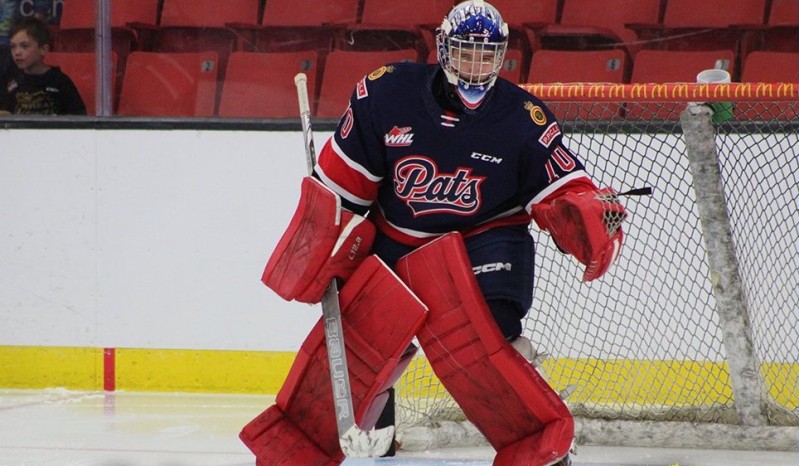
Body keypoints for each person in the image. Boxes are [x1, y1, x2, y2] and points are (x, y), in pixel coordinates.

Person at [241, 1, 627, 465]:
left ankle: (541, 443)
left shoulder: (523, 118)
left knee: (486, 337)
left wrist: (584, 212)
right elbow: (342, 187)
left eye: (486, 54)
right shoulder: (387, 93)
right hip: (396, 237)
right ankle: (310, 446)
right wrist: (326, 241)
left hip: (483, 236)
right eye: (465, 52)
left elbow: (564, 186)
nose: (475, 65)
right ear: (443, 49)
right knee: (362, 342)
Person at [0, 16, 86, 115]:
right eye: (13, 47)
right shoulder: (10, 80)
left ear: (43, 49)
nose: (17, 52)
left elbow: (78, 118)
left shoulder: (59, 82)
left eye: (24, 46)